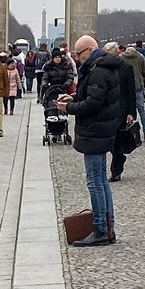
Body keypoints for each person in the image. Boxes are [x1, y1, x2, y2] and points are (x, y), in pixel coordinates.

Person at [59, 34, 130, 247]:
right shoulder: (103, 68)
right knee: (100, 181)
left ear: (90, 49)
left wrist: (68, 108)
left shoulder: (97, 71)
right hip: (102, 130)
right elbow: (94, 98)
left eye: (78, 53)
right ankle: (108, 226)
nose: (77, 58)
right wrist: (75, 98)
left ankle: (100, 228)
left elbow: (93, 105)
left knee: (95, 181)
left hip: (95, 132)